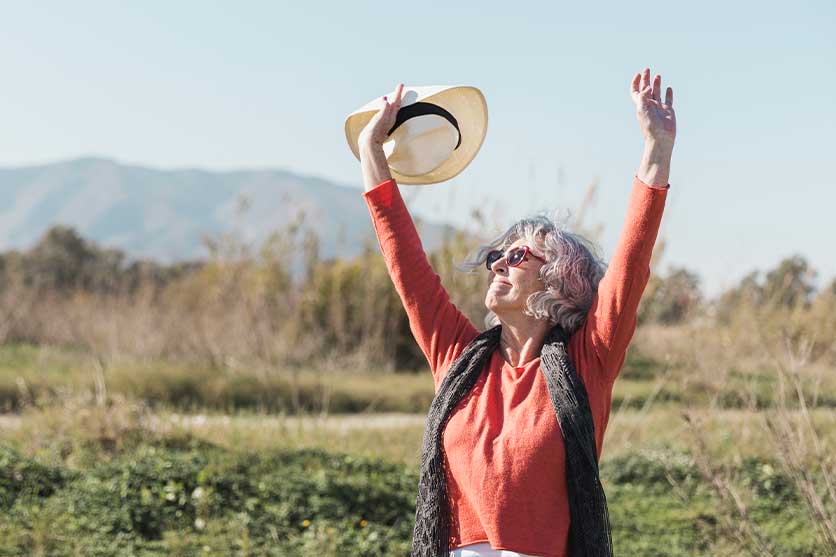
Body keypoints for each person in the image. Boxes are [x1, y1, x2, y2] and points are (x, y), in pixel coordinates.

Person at [357, 68, 676, 557]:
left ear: (560, 282)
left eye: (519, 255)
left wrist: (656, 150)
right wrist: (372, 154)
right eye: (497, 256)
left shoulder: (587, 361)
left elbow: (630, 269)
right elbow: (407, 266)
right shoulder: (459, 359)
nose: (499, 263)